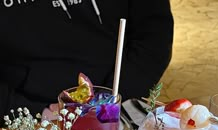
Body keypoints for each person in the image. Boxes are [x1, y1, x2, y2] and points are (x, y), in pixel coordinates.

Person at [0, 0, 173, 121]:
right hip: (23, 114)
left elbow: (155, 35)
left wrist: (111, 101)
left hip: (119, 105)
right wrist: (33, 112)